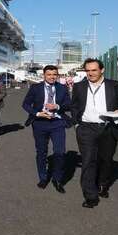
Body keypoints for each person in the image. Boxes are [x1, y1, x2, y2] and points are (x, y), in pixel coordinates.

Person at [71, 58, 118, 208]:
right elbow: (74, 105)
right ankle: (90, 196)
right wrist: (76, 123)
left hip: (108, 127)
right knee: (88, 161)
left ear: (102, 70)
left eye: (94, 70)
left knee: (106, 160)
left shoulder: (115, 86)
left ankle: (103, 184)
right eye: (87, 71)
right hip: (86, 128)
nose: (90, 73)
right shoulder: (79, 86)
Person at [22, 65, 71, 193]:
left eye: (54, 74)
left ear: (57, 75)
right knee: (41, 152)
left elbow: (69, 104)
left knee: (60, 152)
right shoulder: (35, 88)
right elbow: (26, 104)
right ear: (44, 75)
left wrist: (58, 106)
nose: (52, 77)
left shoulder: (62, 88)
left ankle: (57, 179)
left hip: (57, 123)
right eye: (49, 74)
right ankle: (43, 178)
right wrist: (37, 113)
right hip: (40, 123)